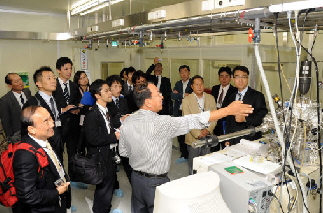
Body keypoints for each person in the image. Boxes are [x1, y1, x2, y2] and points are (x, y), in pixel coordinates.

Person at [119, 82, 254, 213]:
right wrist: (227, 110)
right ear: (148, 102)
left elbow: (124, 152)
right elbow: (194, 120)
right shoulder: (161, 123)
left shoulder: (127, 121)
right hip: (155, 183)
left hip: (135, 179)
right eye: (157, 94)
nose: (162, 96)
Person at [13, 105, 70, 213]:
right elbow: (27, 195)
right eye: (46, 121)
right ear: (32, 129)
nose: (52, 124)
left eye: (50, 118)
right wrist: (57, 192)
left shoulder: (45, 139)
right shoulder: (25, 156)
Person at [83, 79, 121, 213]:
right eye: (106, 91)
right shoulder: (92, 115)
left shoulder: (107, 110)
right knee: (103, 186)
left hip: (109, 152)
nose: (110, 93)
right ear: (97, 95)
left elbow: (107, 128)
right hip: (100, 155)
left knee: (108, 183)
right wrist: (114, 137)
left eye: (109, 90)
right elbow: (92, 139)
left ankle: (105, 208)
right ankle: (100, 210)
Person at [23, 66, 64, 162]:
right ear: (39, 83)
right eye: (49, 78)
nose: (53, 81)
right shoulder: (33, 104)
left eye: (54, 78)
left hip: (57, 144)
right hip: (42, 149)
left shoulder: (55, 100)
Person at [222, 65, 268, 145]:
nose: (240, 80)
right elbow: (228, 120)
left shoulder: (257, 96)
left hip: (250, 141)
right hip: (233, 141)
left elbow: (262, 119)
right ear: (233, 79)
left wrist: (245, 119)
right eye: (237, 77)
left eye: (244, 77)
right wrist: (227, 138)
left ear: (248, 79)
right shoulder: (231, 97)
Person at [53, 57, 81, 182]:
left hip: (73, 124)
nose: (69, 71)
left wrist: (77, 109)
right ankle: (60, 178)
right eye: (66, 69)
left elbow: (78, 102)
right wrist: (63, 109)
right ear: (58, 70)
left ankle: (73, 178)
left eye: (70, 68)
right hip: (59, 125)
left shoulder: (74, 86)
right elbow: (50, 105)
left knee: (72, 153)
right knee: (57, 153)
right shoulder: (53, 85)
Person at [182, 75, 217, 175]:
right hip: (194, 137)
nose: (199, 86)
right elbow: (187, 119)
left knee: (206, 164)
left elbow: (214, 116)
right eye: (196, 84)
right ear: (192, 87)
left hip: (208, 136)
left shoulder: (210, 98)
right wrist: (198, 133)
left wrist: (208, 130)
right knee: (194, 165)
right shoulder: (187, 100)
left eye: (201, 84)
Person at [210, 66, 237, 151]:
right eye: (222, 76)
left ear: (230, 78)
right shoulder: (215, 88)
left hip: (226, 122)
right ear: (219, 77)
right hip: (214, 121)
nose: (224, 79)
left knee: (226, 146)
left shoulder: (234, 91)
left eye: (226, 76)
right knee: (214, 145)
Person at [171, 65, 193, 163]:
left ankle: (191, 155)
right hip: (178, 112)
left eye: (185, 71)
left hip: (188, 113)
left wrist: (178, 95)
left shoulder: (193, 83)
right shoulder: (178, 83)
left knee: (189, 134)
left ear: (189, 72)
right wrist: (183, 95)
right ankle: (184, 155)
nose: (183, 74)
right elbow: (172, 96)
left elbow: (192, 97)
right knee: (180, 135)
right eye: (181, 72)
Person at [0, 73, 31, 141]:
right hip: (17, 134)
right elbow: (6, 121)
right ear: (10, 85)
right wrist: (10, 138)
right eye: (16, 81)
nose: (20, 83)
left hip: (31, 129)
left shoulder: (27, 92)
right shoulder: (5, 100)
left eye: (20, 79)